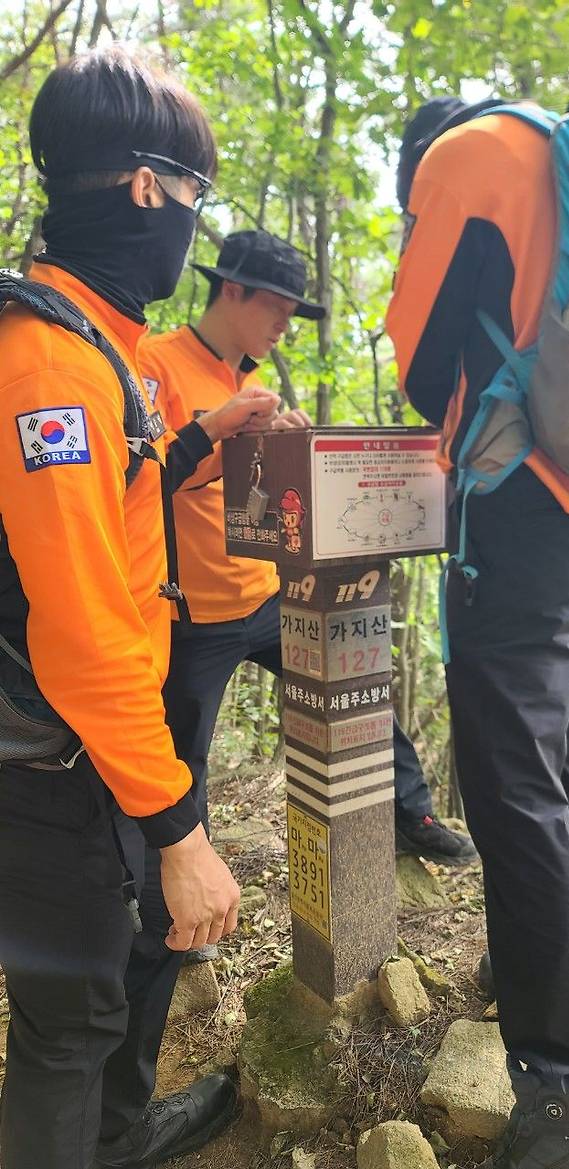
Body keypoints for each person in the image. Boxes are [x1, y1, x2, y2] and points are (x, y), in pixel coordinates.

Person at [0, 48, 283, 1169]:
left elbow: (100, 513)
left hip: (66, 751)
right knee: (72, 1023)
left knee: (82, 1002)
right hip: (49, 760)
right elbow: (75, 622)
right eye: (195, 193)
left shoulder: (86, 343)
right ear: (146, 187)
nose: (192, 224)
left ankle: (117, 1138)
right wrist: (177, 827)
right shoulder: (50, 370)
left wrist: (194, 445)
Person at [386, 97, 569, 1169]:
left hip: (519, 510)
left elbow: (417, 351)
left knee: (511, 781)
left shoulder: (467, 157)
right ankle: (555, 967)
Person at [139, 228, 477, 932]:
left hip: (263, 593)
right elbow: (145, 478)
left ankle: (408, 810)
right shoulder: (155, 362)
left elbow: (258, 491)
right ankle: (174, 908)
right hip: (190, 611)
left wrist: (279, 442)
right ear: (230, 289)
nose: (284, 325)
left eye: (293, 313)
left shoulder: (246, 380)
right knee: (183, 759)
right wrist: (220, 428)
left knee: (355, 682)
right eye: (276, 307)